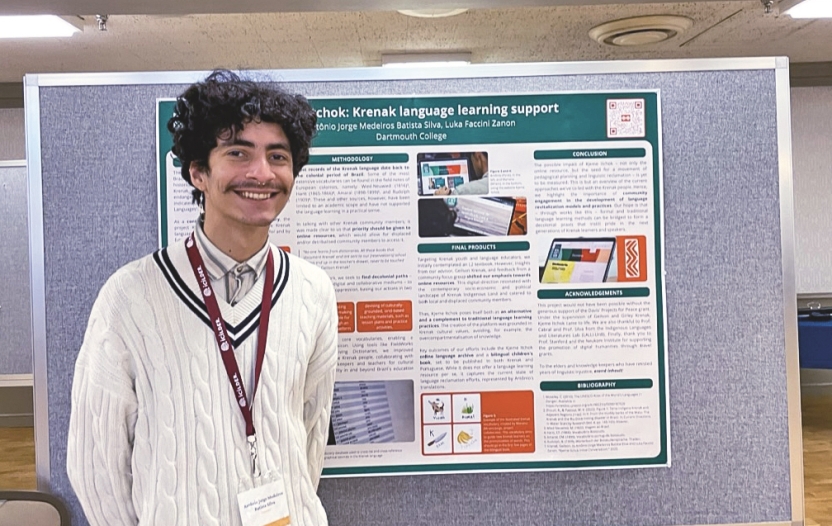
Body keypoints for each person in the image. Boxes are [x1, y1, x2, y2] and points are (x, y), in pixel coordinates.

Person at [66, 70, 338, 526]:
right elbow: (98, 467)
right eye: (238, 153)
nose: (262, 173)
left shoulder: (312, 291)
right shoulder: (130, 296)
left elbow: (311, 438)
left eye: (278, 156)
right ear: (198, 172)